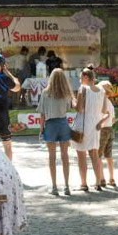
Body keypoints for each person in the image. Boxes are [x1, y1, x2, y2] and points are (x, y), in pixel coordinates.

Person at [37, 68, 75, 196]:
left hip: (51, 125)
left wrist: (41, 129)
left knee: (52, 157)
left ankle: (54, 187)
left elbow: (42, 114)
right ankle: (67, 186)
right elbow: (69, 107)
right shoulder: (66, 94)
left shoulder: (45, 93)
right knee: (65, 156)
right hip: (63, 123)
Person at [73, 66, 108, 192]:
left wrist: (73, 101)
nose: (80, 79)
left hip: (83, 124)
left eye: (81, 77)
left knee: (81, 154)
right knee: (94, 154)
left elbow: (79, 109)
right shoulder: (102, 90)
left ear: (86, 77)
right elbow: (104, 110)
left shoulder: (83, 89)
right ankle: (98, 182)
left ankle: (84, 183)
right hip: (96, 125)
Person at [98, 81, 118, 187]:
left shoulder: (101, 102)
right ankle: (112, 178)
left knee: (98, 155)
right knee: (109, 155)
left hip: (102, 130)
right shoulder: (110, 103)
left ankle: (101, 179)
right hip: (110, 129)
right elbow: (113, 119)